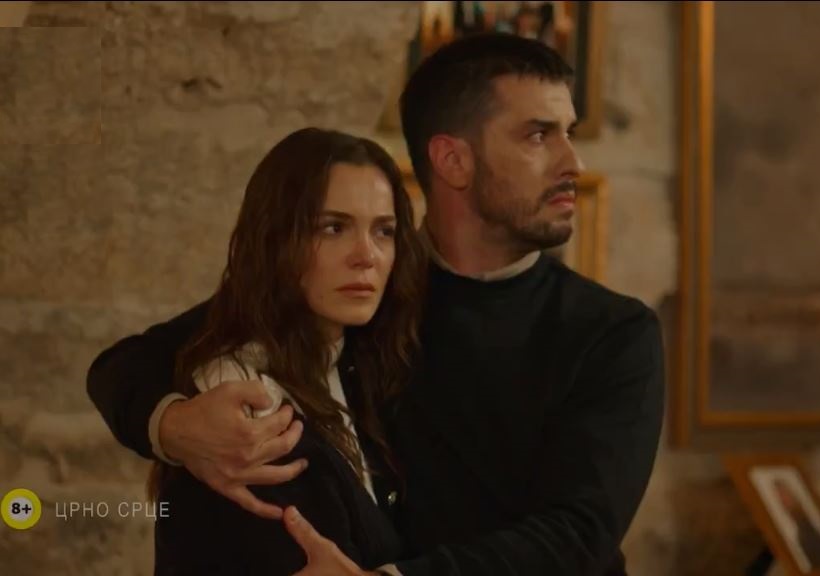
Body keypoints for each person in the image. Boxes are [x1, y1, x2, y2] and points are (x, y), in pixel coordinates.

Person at [87, 33, 665, 576]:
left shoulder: (614, 331)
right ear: (452, 160)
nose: (573, 163)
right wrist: (175, 426)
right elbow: (131, 363)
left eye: (569, 132)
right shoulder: (365, 288)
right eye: (539, 135)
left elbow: (579, 532)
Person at [130, 127, 427, 574]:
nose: (366, 255)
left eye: (384, 231)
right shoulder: (245, 400)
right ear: (276, 238)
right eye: (333, 227)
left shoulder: (360, 363)